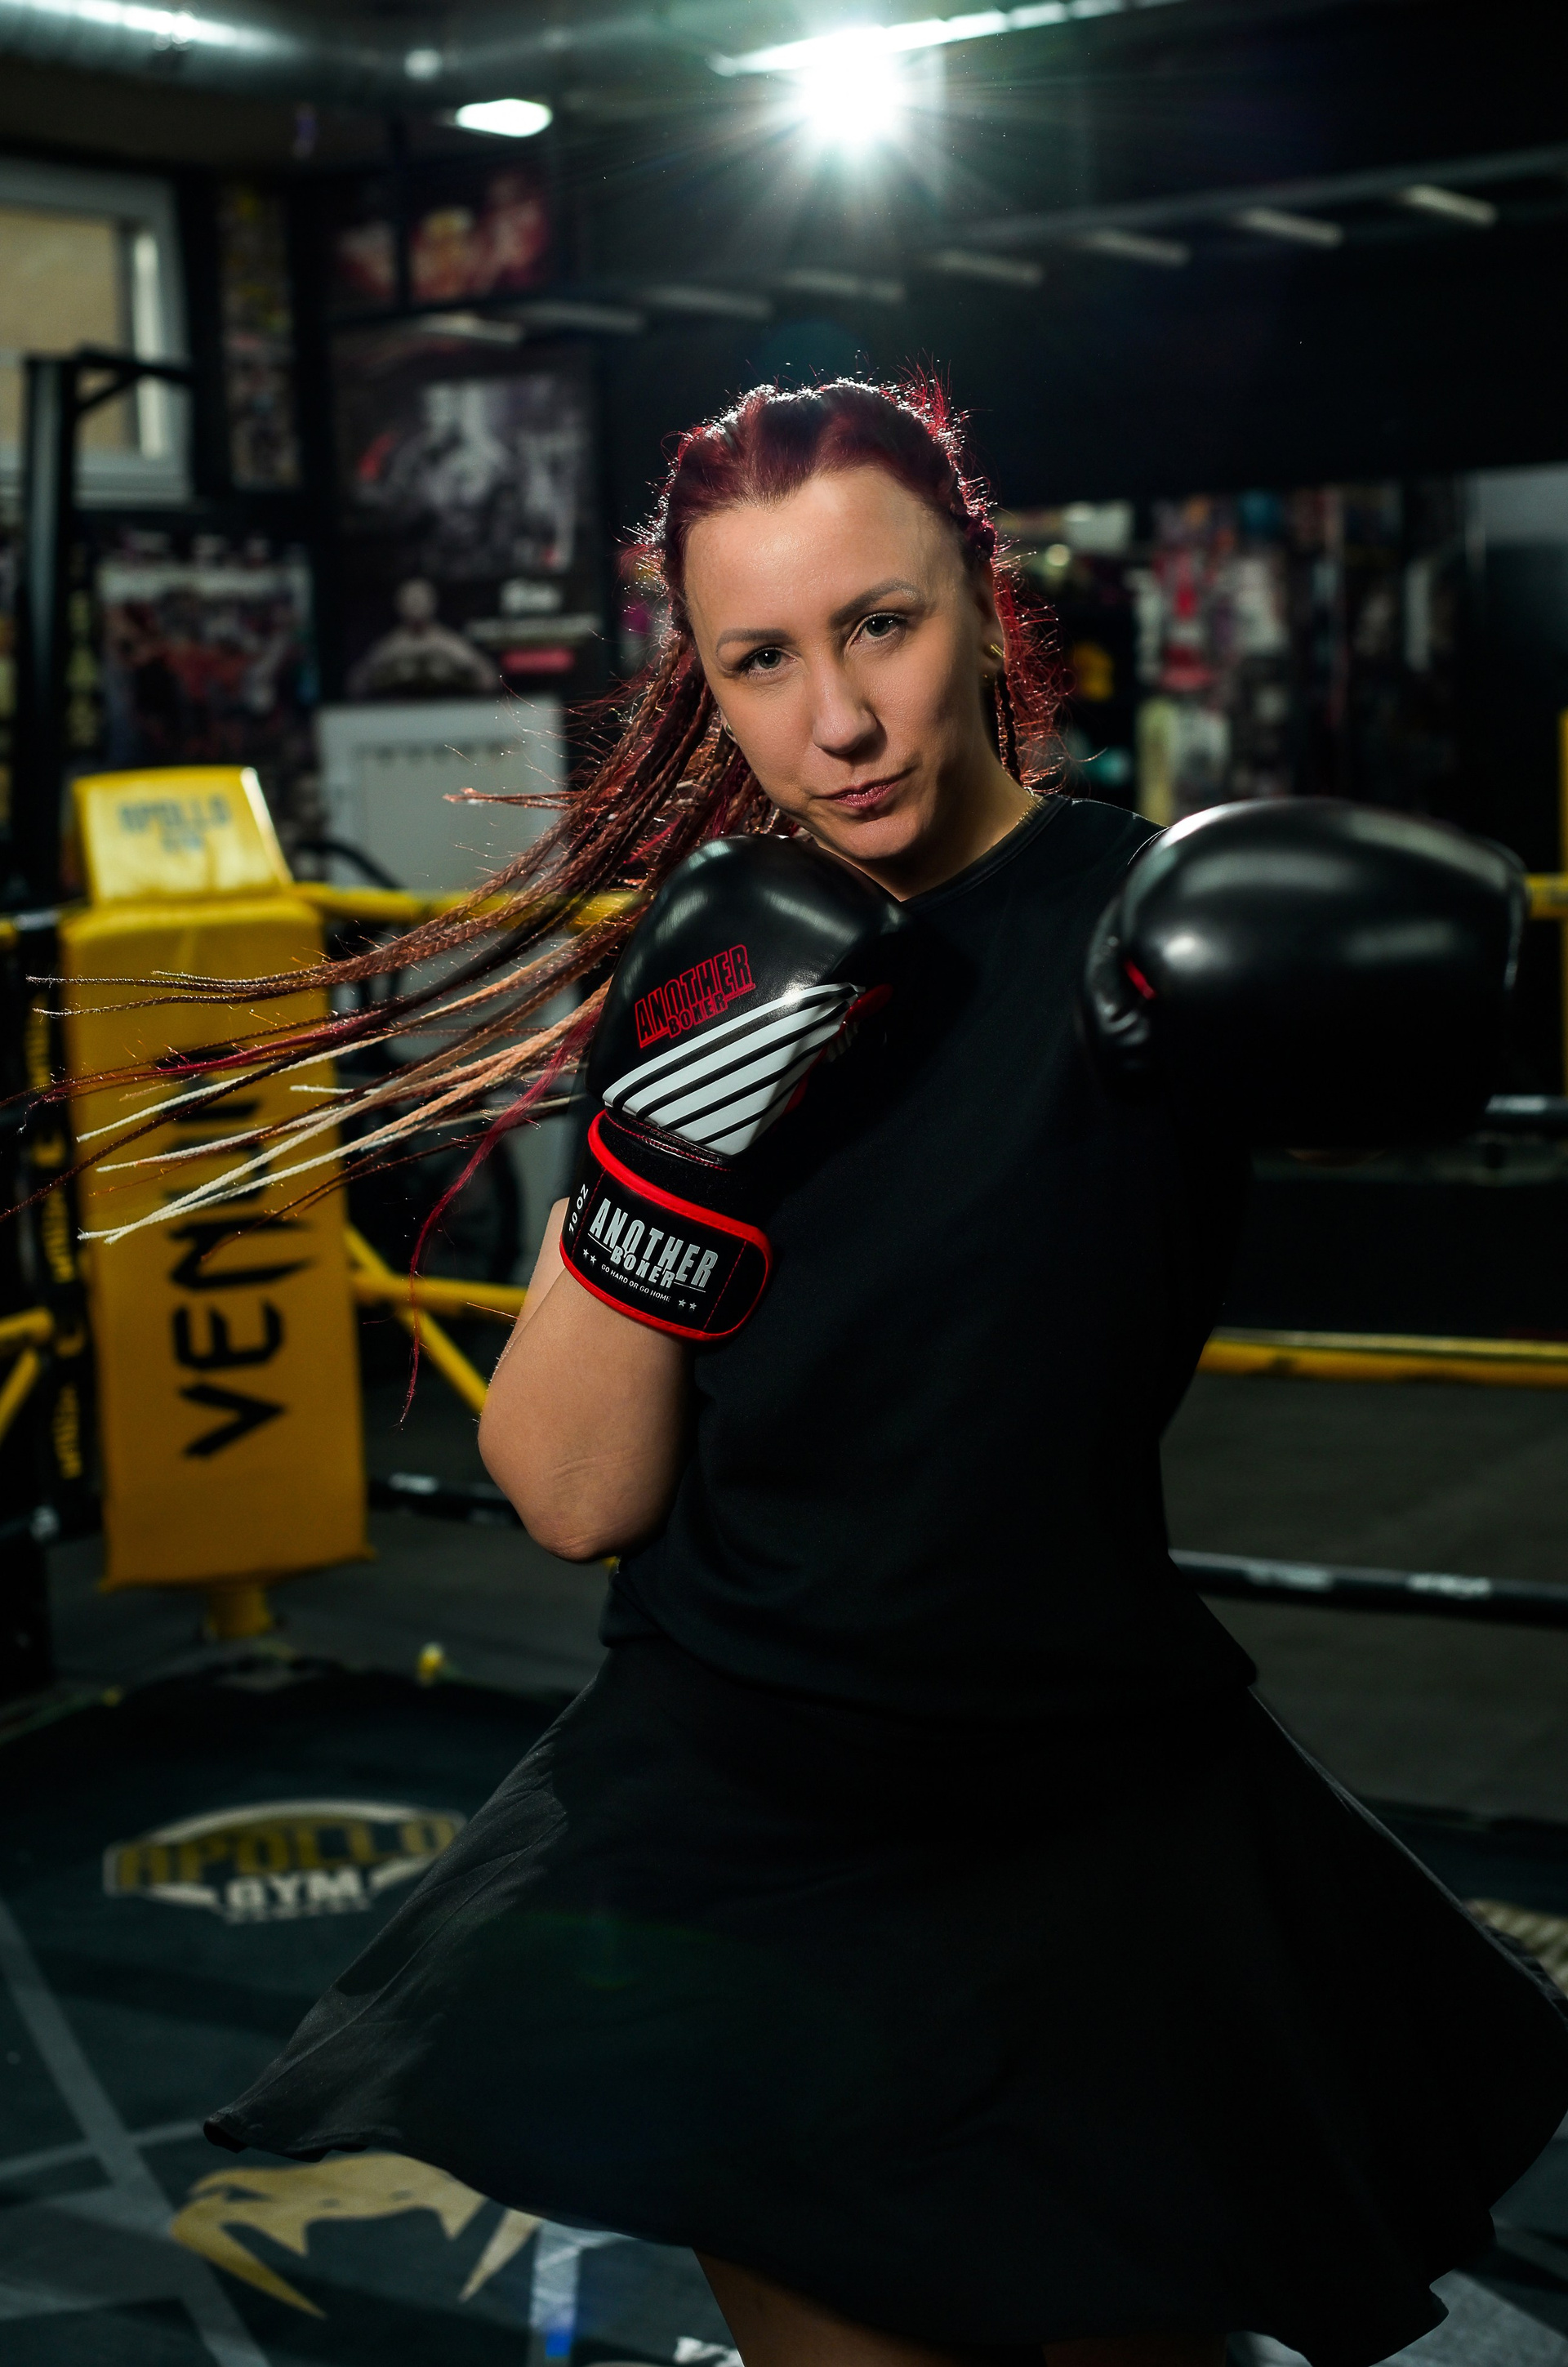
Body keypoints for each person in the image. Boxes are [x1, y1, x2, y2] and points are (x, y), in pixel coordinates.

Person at [176, 379, 1565, 2366]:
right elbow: (572, 1490)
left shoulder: (1153, 938)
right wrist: (667, 1139)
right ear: (710, 682)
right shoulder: (714, 957)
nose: (835, 720)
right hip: (747, 1810)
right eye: (762, 659)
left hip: (1076, 1811)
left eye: (880, 626)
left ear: (985, 606)